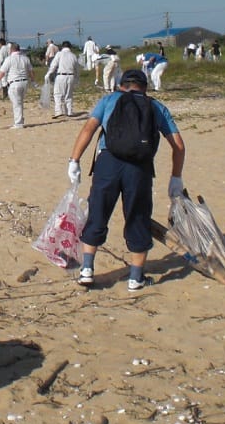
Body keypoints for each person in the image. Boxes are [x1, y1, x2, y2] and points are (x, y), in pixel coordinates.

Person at [67, 68, 185, 290]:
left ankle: (87, 270)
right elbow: (178, 145)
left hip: (107, 163)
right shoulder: (156, 106)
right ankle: (136, 278)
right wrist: (175, 177)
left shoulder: (109, 100)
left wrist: (74, 160)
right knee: (138, 218)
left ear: (121, 85)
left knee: (98, 213)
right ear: (145, 87)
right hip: (139, 169)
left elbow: (88, 129)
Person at [0, 41, 35, 129]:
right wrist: (33, 81)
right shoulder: (25, 58)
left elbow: (2, 72)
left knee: (16, 103)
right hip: (24, 82)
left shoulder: (9, 59)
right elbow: (31, 71)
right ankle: (20, 120)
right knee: (20, 102)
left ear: (11, 50)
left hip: (14, 83)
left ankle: (18, 123)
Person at [46, 40, 79, 118]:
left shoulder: (59, 54)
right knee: (69, 95)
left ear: (62, 46)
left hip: (61, 75)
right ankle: (69, 111)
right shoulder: (73, 55)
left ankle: (58, 111)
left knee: (57, 94)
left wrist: (48, 73)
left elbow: (53, 65)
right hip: (71, 76)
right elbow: (77, 68)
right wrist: (77, 78)